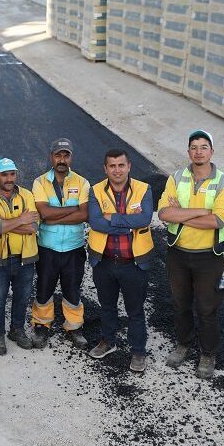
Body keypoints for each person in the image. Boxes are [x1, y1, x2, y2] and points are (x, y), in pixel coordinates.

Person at [158, 130, 224, 379]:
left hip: (208, 257)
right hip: (177, 254)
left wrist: (184, 214)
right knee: (180, 304)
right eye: (194, 147)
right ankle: (183, 344)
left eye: (204, 147)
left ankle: (208, 353)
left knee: (207, 308)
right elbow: (164, 214)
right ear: (188, 151)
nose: (198, 151)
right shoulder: (177, 178)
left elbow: (219, 220)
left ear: (211, 152)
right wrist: (202, 210)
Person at [87, 149, 154, 372]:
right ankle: (108, 341)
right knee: (107, 307)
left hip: (133, 264)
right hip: (104, 262)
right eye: (112, 166)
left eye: (121, 165)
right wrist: (128, 223)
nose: (117, 170)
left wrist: (112, 218)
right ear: (105, 169)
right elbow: (96, 223)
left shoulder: (144, 189)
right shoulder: (95, 190)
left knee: (135, 310)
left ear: (129, 166)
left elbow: (144, 219)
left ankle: (138, 351)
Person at [30, 138, 90, 349]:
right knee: (44, 287)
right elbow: (43, 213)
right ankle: (41, 325)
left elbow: (84, 214)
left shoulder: (82, 183)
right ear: (51, 157)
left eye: (66, 155)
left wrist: (53, 216)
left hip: (74, 247)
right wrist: (72, 210)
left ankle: (74, 326)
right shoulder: (39, 182)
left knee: (72, 288)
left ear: (71, 157)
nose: (62, 159)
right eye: (58, 155)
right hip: (48, 247)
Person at [0, 158, 39, 355]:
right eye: (4, 174)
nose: (9, 178)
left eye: (12, 174)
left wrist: (6, 221)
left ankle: (17, 330)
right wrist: (20, 219)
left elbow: (33, 228)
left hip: (26, 256)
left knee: (22, 296)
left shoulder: (27, 195)